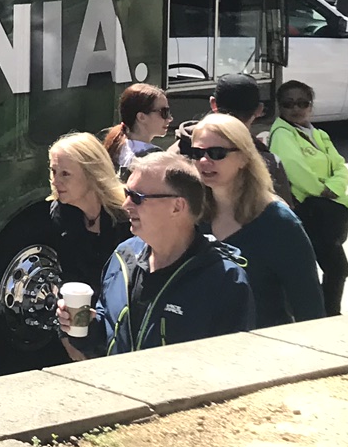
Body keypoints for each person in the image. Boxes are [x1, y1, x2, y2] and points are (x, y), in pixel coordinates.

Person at [59, 150, 255, 356]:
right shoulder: (122, 257)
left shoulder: (224, 279)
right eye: (127, 194)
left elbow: (232, 365)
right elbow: (106, 334)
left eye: (137, 198)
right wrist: (85, 327)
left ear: (177, 207)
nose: (126, 205)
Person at [181, 115, 324, 324]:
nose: (204, 161)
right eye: (197, 153)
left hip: (264, 346)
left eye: (217, 153)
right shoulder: (191, 213)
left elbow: (309, 307)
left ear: (244, 158)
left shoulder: (279, 222)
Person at [266, 80, 348, 314]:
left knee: (333, 270)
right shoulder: (282, 133)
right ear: (279, 106)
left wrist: (333, 188)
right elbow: (294, 169)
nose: (296, 109)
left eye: (303, 103)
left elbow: (340, 166)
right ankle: (327, 315)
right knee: (335, 269)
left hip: (326, 207)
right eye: (288, 104)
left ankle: (323, 313)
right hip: (307, 212)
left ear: (311, 106)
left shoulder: (318, 134)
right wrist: (322, 190)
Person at [45, 133, 133, 296]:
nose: (55, 182)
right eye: (53, 171)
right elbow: (70, 273)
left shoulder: (128, 214)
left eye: (65, 174)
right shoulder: (61, 213)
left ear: (92, 173)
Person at [210, 72, 292, 203]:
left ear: (213, 104)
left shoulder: (182, 150)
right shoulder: (269, 164)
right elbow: (285, 214)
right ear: (259, 110)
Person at [101, 83, 173, 169]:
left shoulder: (116, 149)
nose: (170, 118)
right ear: (141, 117)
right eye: (164, 112)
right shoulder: (154, 160)